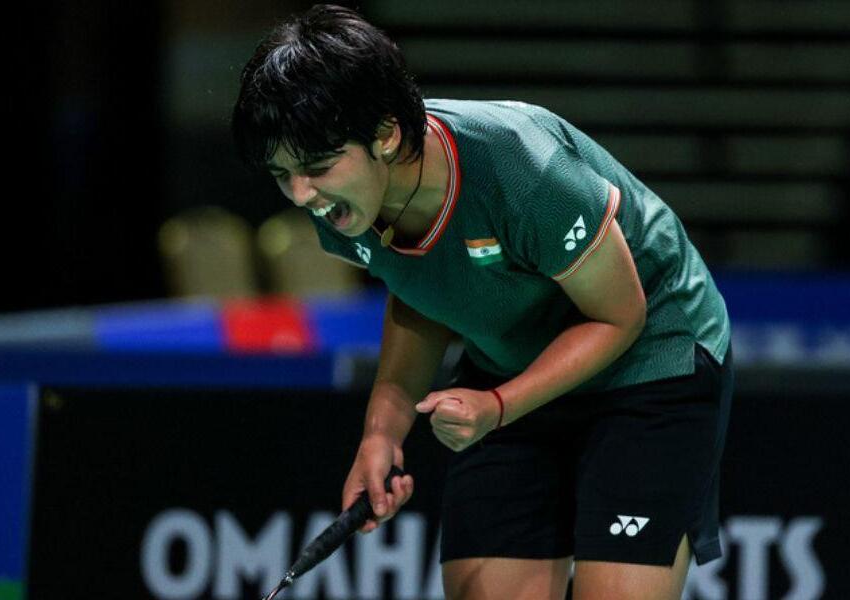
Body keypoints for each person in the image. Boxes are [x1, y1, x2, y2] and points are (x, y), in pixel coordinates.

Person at [233, 5, 733, 599]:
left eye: (317, 166)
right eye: (282, 173)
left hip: (649, 358)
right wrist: (381, 433)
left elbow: (619, 316)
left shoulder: (522, 170)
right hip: (511, 364)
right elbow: (418, 289)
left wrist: (498, 406)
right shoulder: (339, 206)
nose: (300, 194)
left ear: (386, 136)